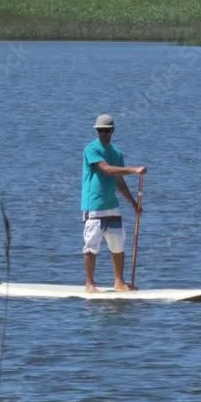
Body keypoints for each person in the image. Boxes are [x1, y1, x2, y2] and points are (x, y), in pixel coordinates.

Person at [81, 113, 147, 292]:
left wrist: (133, 204)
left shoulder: (116, 153)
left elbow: (119, 181)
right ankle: (90, 284)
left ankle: (119, 282)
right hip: (93, 207)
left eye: (106, 131)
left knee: (118, 244)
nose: (103, 134)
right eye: (100, 131)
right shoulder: (91, 149)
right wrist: (134, 170)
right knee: (91, 246)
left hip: (112, 206)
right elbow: (107, 170)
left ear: (112, 131)